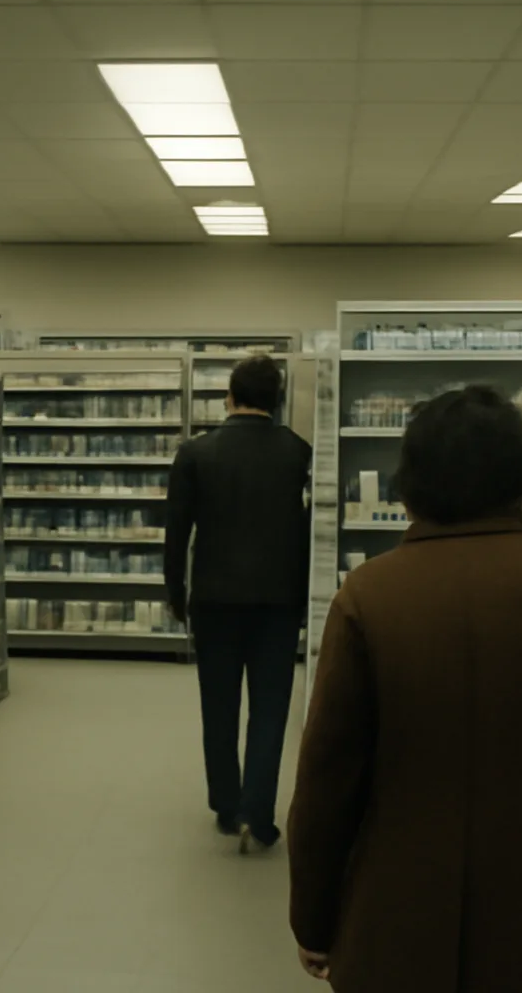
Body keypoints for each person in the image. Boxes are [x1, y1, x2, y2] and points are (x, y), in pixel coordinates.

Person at [289, 385, 522, 992]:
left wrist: (314, 918)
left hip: (398, 913)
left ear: (408, 483)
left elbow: (329, 778)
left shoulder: (371, 594)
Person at [164, 354, 311, 851]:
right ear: (277, 400)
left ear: (229, 396)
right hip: (278, 601)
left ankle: (226, 806)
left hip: (215, 599)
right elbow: (308, 533)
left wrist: (175, 593)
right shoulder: (298, 453)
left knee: (219, 706)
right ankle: (258, 812)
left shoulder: (196, 453)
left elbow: (176, 531)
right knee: (270, 710)